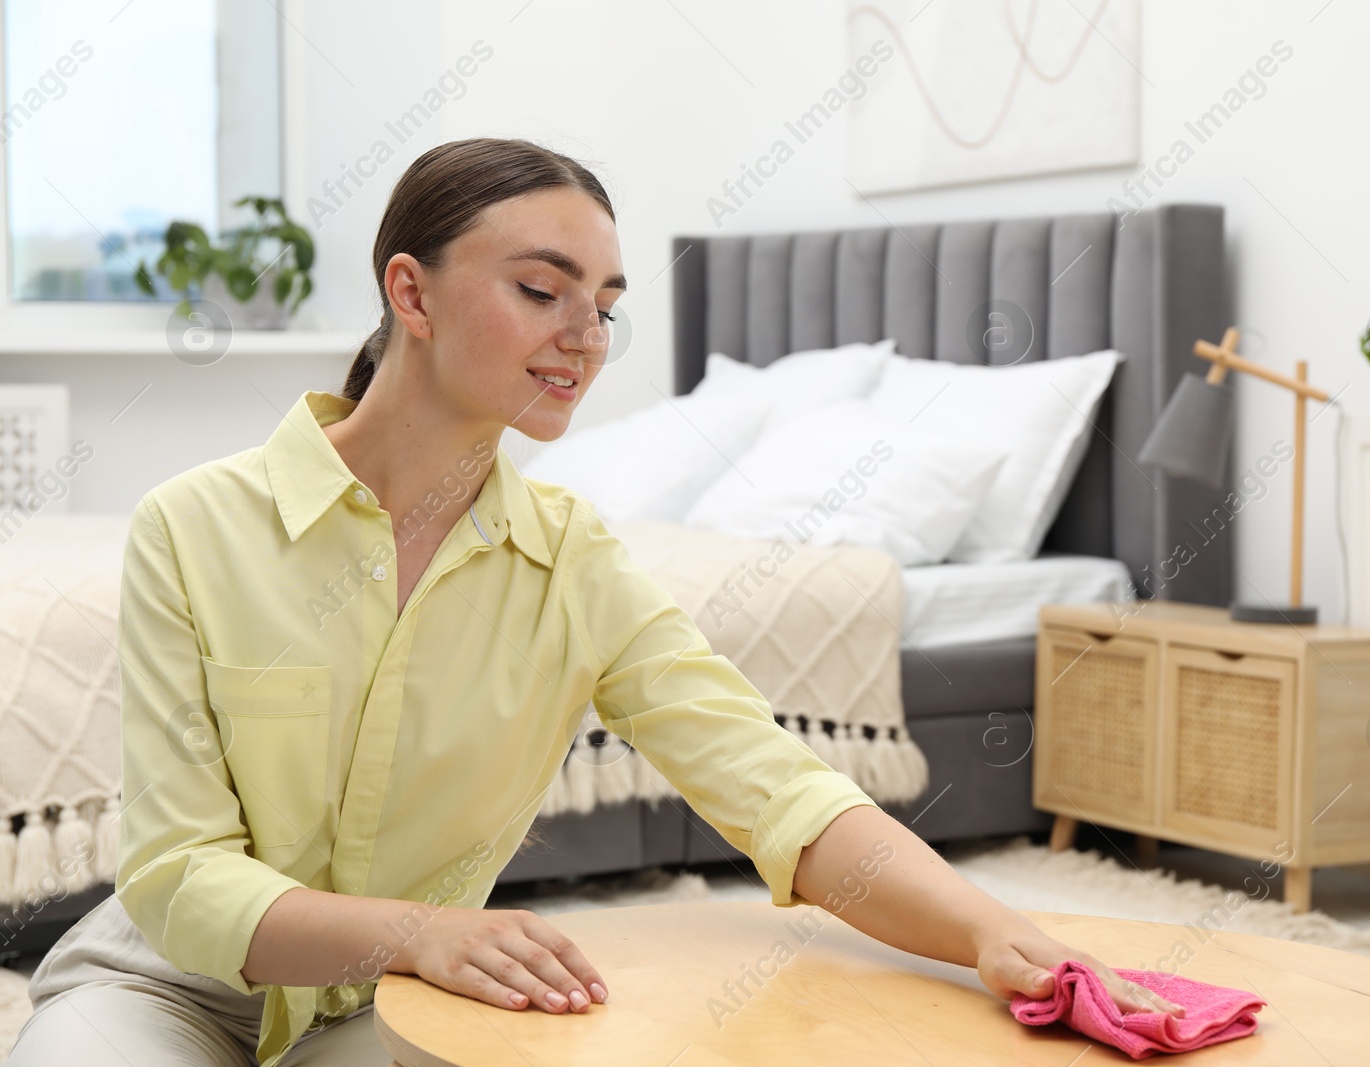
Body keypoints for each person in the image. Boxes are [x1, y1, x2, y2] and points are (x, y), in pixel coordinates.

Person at [9, 137, 1182, 1066]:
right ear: (408, 293)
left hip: (397, 1007)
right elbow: (176, 873)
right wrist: (423, 928)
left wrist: (990, 929)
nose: (586, 337)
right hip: (164, 987)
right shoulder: (194, 525)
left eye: (607, 305)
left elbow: (778, 790)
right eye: (540, 289)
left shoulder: (580, 566)